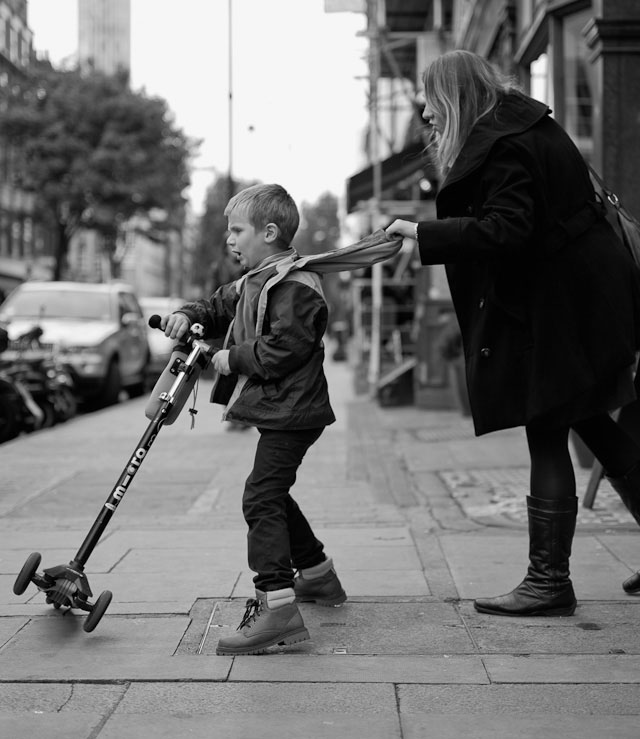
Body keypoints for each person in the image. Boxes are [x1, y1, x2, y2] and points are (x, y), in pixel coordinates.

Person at [385, 50, 640, 617]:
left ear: (453, 96)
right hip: (581, 300)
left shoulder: (506, 145)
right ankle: (549, 578)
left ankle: (548, 582)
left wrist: (425, 236)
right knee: (591, 420)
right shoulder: (523, 126)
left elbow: (510, 229)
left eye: (429, 99)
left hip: (565, 309)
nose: (426, 112)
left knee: (547, 424)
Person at [160, 183, 346, 655]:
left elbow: (284, 349)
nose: (229, 239)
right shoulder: (253, 281)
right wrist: (186, 315)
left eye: (236, 230)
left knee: (259, 497)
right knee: (273, 492)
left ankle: (277, 606)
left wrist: (230, 359)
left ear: (269, 232)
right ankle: (319, 577)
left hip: (295, 411)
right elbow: (217, 305)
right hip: (281, 408)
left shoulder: (295, 286)